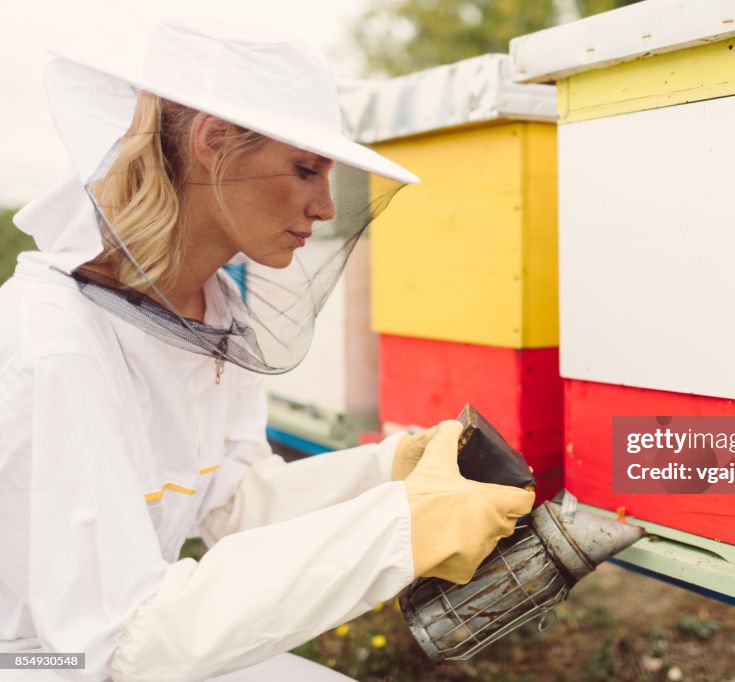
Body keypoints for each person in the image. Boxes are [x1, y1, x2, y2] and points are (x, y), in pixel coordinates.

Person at [0, 18, 535, 682]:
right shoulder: (57, 344)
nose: (321, 205)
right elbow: (119, 643)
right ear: (214, 143)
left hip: (129, 642)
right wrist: (402, 526)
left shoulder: (210, 307)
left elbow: (233, 503)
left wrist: (387, 472)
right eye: (304, 169)